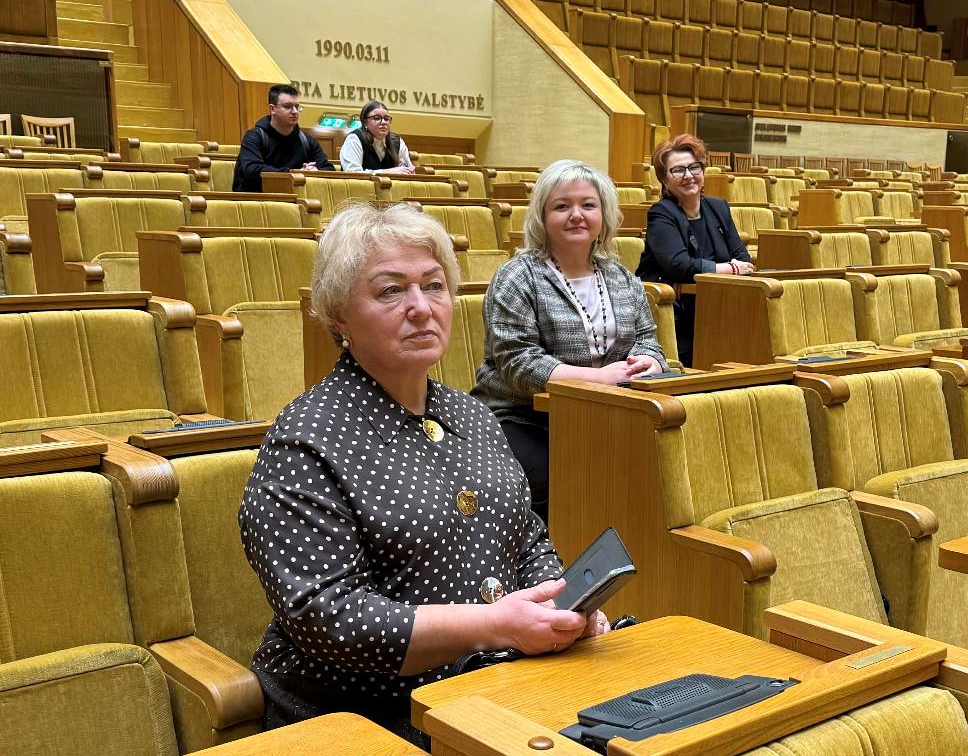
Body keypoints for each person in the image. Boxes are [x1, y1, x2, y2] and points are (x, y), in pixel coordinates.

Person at [238, 202, 608, 746]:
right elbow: (329, 618)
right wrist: (493, 626)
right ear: (338, 317)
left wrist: (558, 606)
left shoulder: (472, 414)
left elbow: (527, 539)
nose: (420, 308)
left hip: (496, 683)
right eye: (391, 291)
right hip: (367, 716)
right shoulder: (306, 439)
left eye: (434, 286)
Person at [472, 160, 668, 522]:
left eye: (588, 205)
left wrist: (649, 362)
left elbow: (647, 339)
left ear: (603, 215)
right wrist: (599, 378)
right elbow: (518, 363)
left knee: (660, 464)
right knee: (553, 474)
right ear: (542, 216)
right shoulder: (518, 276)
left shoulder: (621, 277)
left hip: (606, 412)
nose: (576, 215)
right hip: (524, 415)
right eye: (562, 206)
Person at [636, 134, 754, 367]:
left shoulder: (718, 207)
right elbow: (679, 266)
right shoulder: (662, 213)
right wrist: (730, 269)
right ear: (664, 179)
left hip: (715, 304)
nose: (688, 175)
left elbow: (744, 259)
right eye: (678, 170)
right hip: (673, 312)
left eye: (694, 167)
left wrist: (697, 277)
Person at [232, 84, 334, 192]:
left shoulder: (306, 140)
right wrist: (294, 174)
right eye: (288, 106)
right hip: (259, 198)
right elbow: (252, 170)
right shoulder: (254, 137)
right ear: (272, 109)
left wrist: (315, 171)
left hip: (297, 197)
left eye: (297, 107)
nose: (295, 111)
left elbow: (329, 169)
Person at [339, 101, 415, 174]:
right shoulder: (354, 139)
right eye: (377, 118)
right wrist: (387, 172)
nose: (383, 122)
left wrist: (407, 171)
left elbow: (409, 171)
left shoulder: (397, 141)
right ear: (365, 122)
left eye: (386, 119)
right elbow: (353, 173)